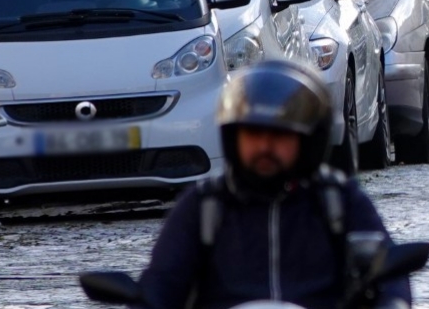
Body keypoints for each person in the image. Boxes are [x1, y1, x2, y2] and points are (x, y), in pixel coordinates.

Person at [136, 61, 413, 309]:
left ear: (306, 140)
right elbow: (161, 282)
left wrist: (394, 302)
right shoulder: (203, 207)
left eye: (279, 135)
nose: (265, 146)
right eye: (253, 134)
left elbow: (389, 271)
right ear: (234, 137)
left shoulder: (338, 201)